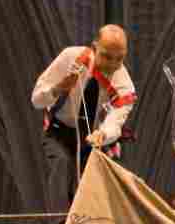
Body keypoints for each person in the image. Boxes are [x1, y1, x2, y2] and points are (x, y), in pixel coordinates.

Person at [31, 25, 137, 212]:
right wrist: (58, 88)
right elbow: (37, 99)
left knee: (101, 181)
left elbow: (115, 122)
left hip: (94, 138)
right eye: (106, 56)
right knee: (62, 165)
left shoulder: (124, 86)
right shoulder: (71, 58)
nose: (112, 64)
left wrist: (103, 134)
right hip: (59, 131)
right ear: (94, 47)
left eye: (119, 58)